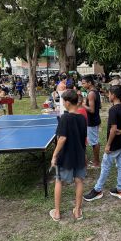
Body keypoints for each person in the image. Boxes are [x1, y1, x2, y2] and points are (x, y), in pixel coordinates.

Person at [84, 85, 121, 201]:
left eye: (109, 94)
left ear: (113, 95)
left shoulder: (113, 110)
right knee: (120, 165)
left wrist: (108, 144)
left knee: (105, 166)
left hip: (114, 144)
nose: (108, 96)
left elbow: (113, 129)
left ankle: (97, 190)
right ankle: (120, 189)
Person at [50, 90, 87, 221]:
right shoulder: (82, 118)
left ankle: (57, 213)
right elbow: (83, 139)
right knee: (79, 181)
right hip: (79, 154)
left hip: (66, 156)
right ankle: (77, 211)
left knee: (59, 181)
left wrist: (54, 155)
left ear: (67, 102)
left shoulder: (65, 118)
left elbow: (62, 139)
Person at [82, 76, 101, 168]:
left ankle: (96, 163)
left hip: (92, 120)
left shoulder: (91, 94)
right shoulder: (94, 92)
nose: (83, 85)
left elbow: (92, 110)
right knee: (95, 141)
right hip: (95, 119)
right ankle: (96, 160)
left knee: (94, 142)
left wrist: (82, 104)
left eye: (84, 83)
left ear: (89, 83)